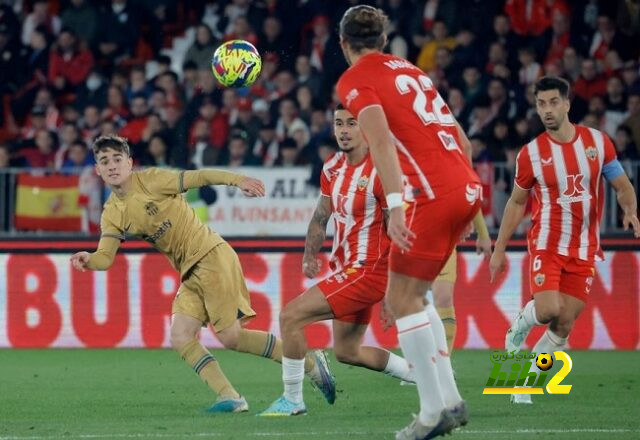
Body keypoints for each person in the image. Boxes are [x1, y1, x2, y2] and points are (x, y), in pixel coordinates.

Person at [70, 135, 334, 413]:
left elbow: (200, 177)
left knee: (231, 338)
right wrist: (89, 259)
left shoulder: (152, 180)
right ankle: (230, 396)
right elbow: (105, 257)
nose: (112, 166)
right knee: (181, 335)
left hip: (210, 255)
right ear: (97, 170)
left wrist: (238, 180)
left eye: (117, 159)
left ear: (129, 163)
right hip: (190, 271)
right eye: (104, 162)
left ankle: (312, 365)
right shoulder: (111, 211)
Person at [335, 6, 483, 438]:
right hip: (463, 185)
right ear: (383, 41)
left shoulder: (355, 80)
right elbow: (462, 141)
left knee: (401, 301)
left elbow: (378, 141)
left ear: (345, 44)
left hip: (431, 193)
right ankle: (452, 401)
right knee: (416, 297)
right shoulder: (414, 72)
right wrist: (467, 201)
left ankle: (431, 413)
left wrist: (396, 205)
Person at [489, 76, 640, 404]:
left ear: (567, 104)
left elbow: (623, 185)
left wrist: (630, 210)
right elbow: (516, 203)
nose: (547, 110)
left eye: (553, 102)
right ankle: (519, 324)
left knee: (564, 324)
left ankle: (525, 382)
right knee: (546, 310)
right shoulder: (531, 154)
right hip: (547, 243)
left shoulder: (598, 143)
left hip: (585, 248)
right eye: (541, 104)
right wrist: (499, 249)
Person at [259, 105, 414, 416]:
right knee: (348, 351)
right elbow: (321, 216)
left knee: (291, 317)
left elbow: (395, 231)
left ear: (365, 128)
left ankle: (293, 399)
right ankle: (423, 374)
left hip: (370, 271)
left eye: (352, 123)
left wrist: (393, 290)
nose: (344, 130)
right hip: (349, 269)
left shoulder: (383, 172)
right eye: (339, 123)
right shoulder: (332, 167)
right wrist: (308, 255)